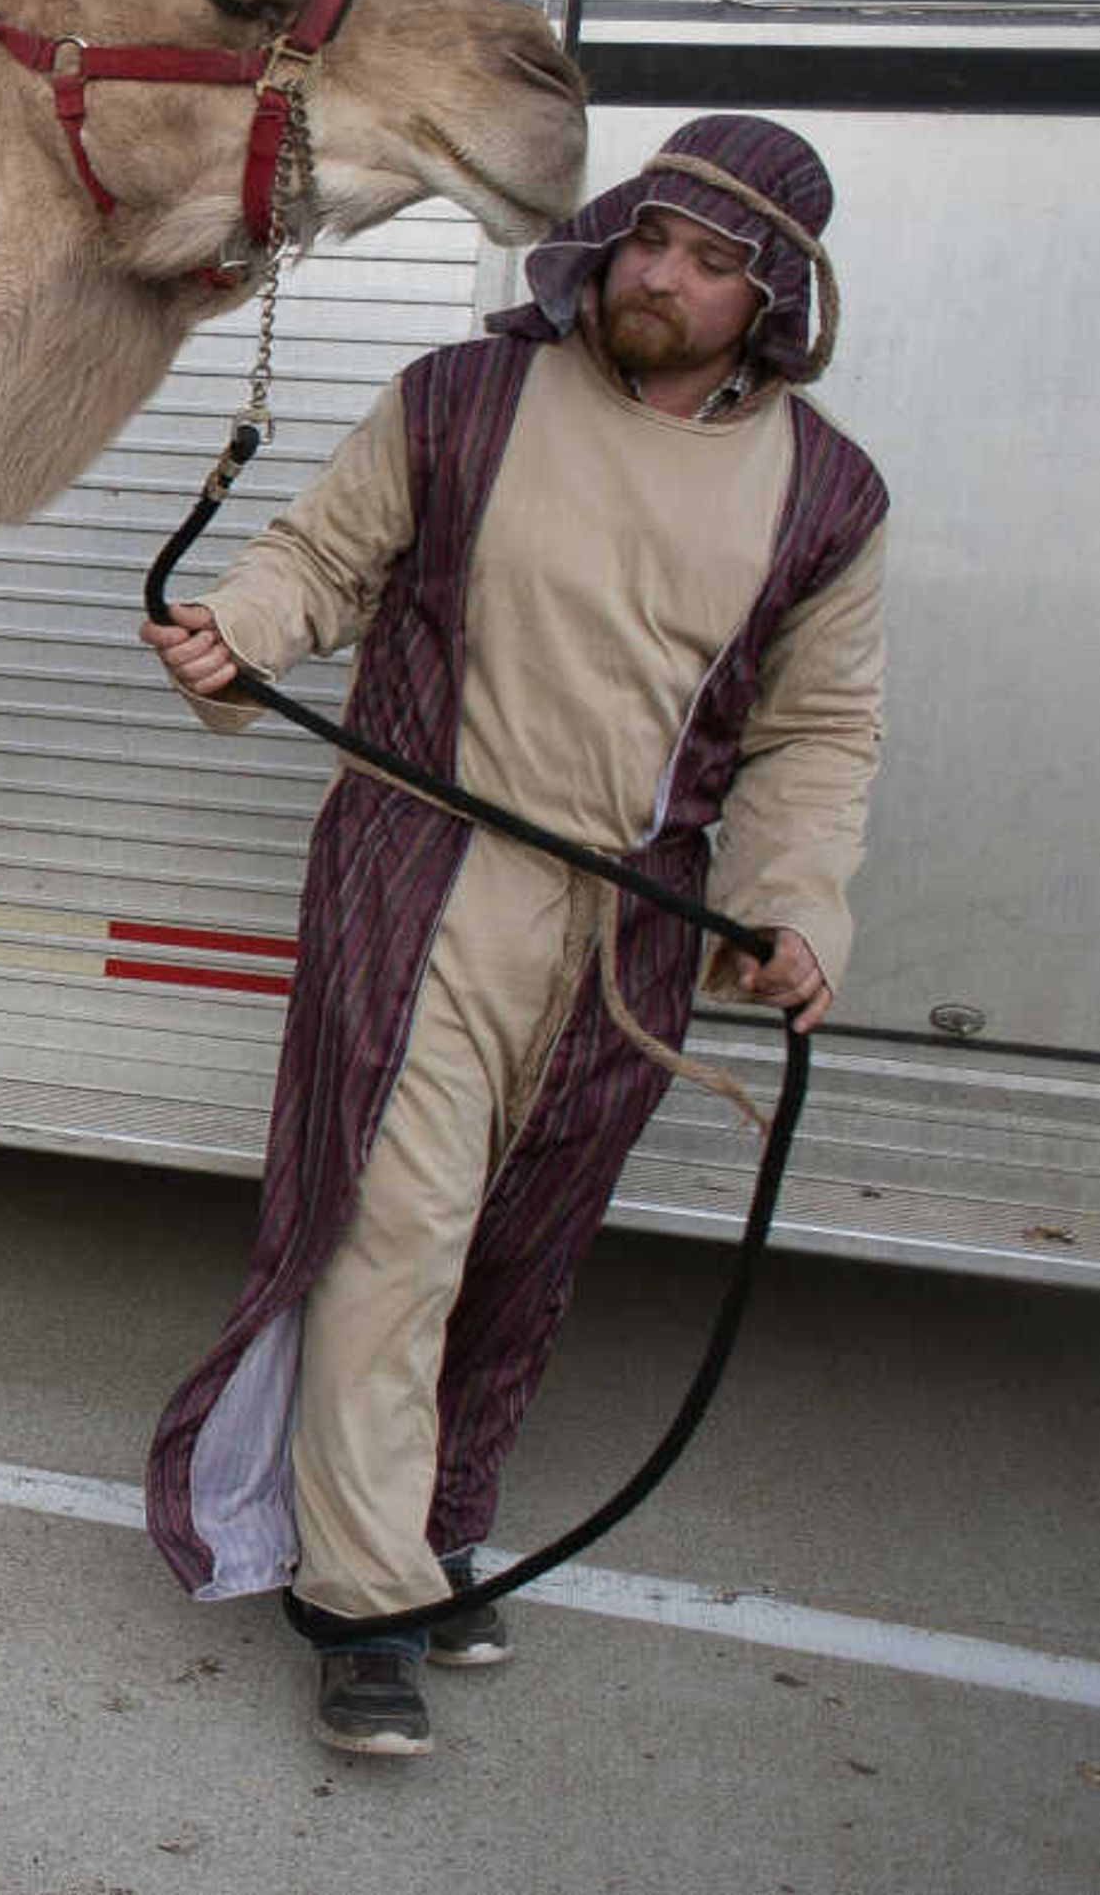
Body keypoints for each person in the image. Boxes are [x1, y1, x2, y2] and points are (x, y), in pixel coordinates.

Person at [135, 114, 886, 1759]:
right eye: (650, 243)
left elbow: (817, 741)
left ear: (773, 301)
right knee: (394, 1235)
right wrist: (236, 635)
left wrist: (794, 907)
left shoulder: (827, 495)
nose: (663, 282)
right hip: (428, 879)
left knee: (523, 1245)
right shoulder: (461, 400)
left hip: (636, 928)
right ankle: (358, 1597)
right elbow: (317, 563)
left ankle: (435, 1526)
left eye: (711, 266)